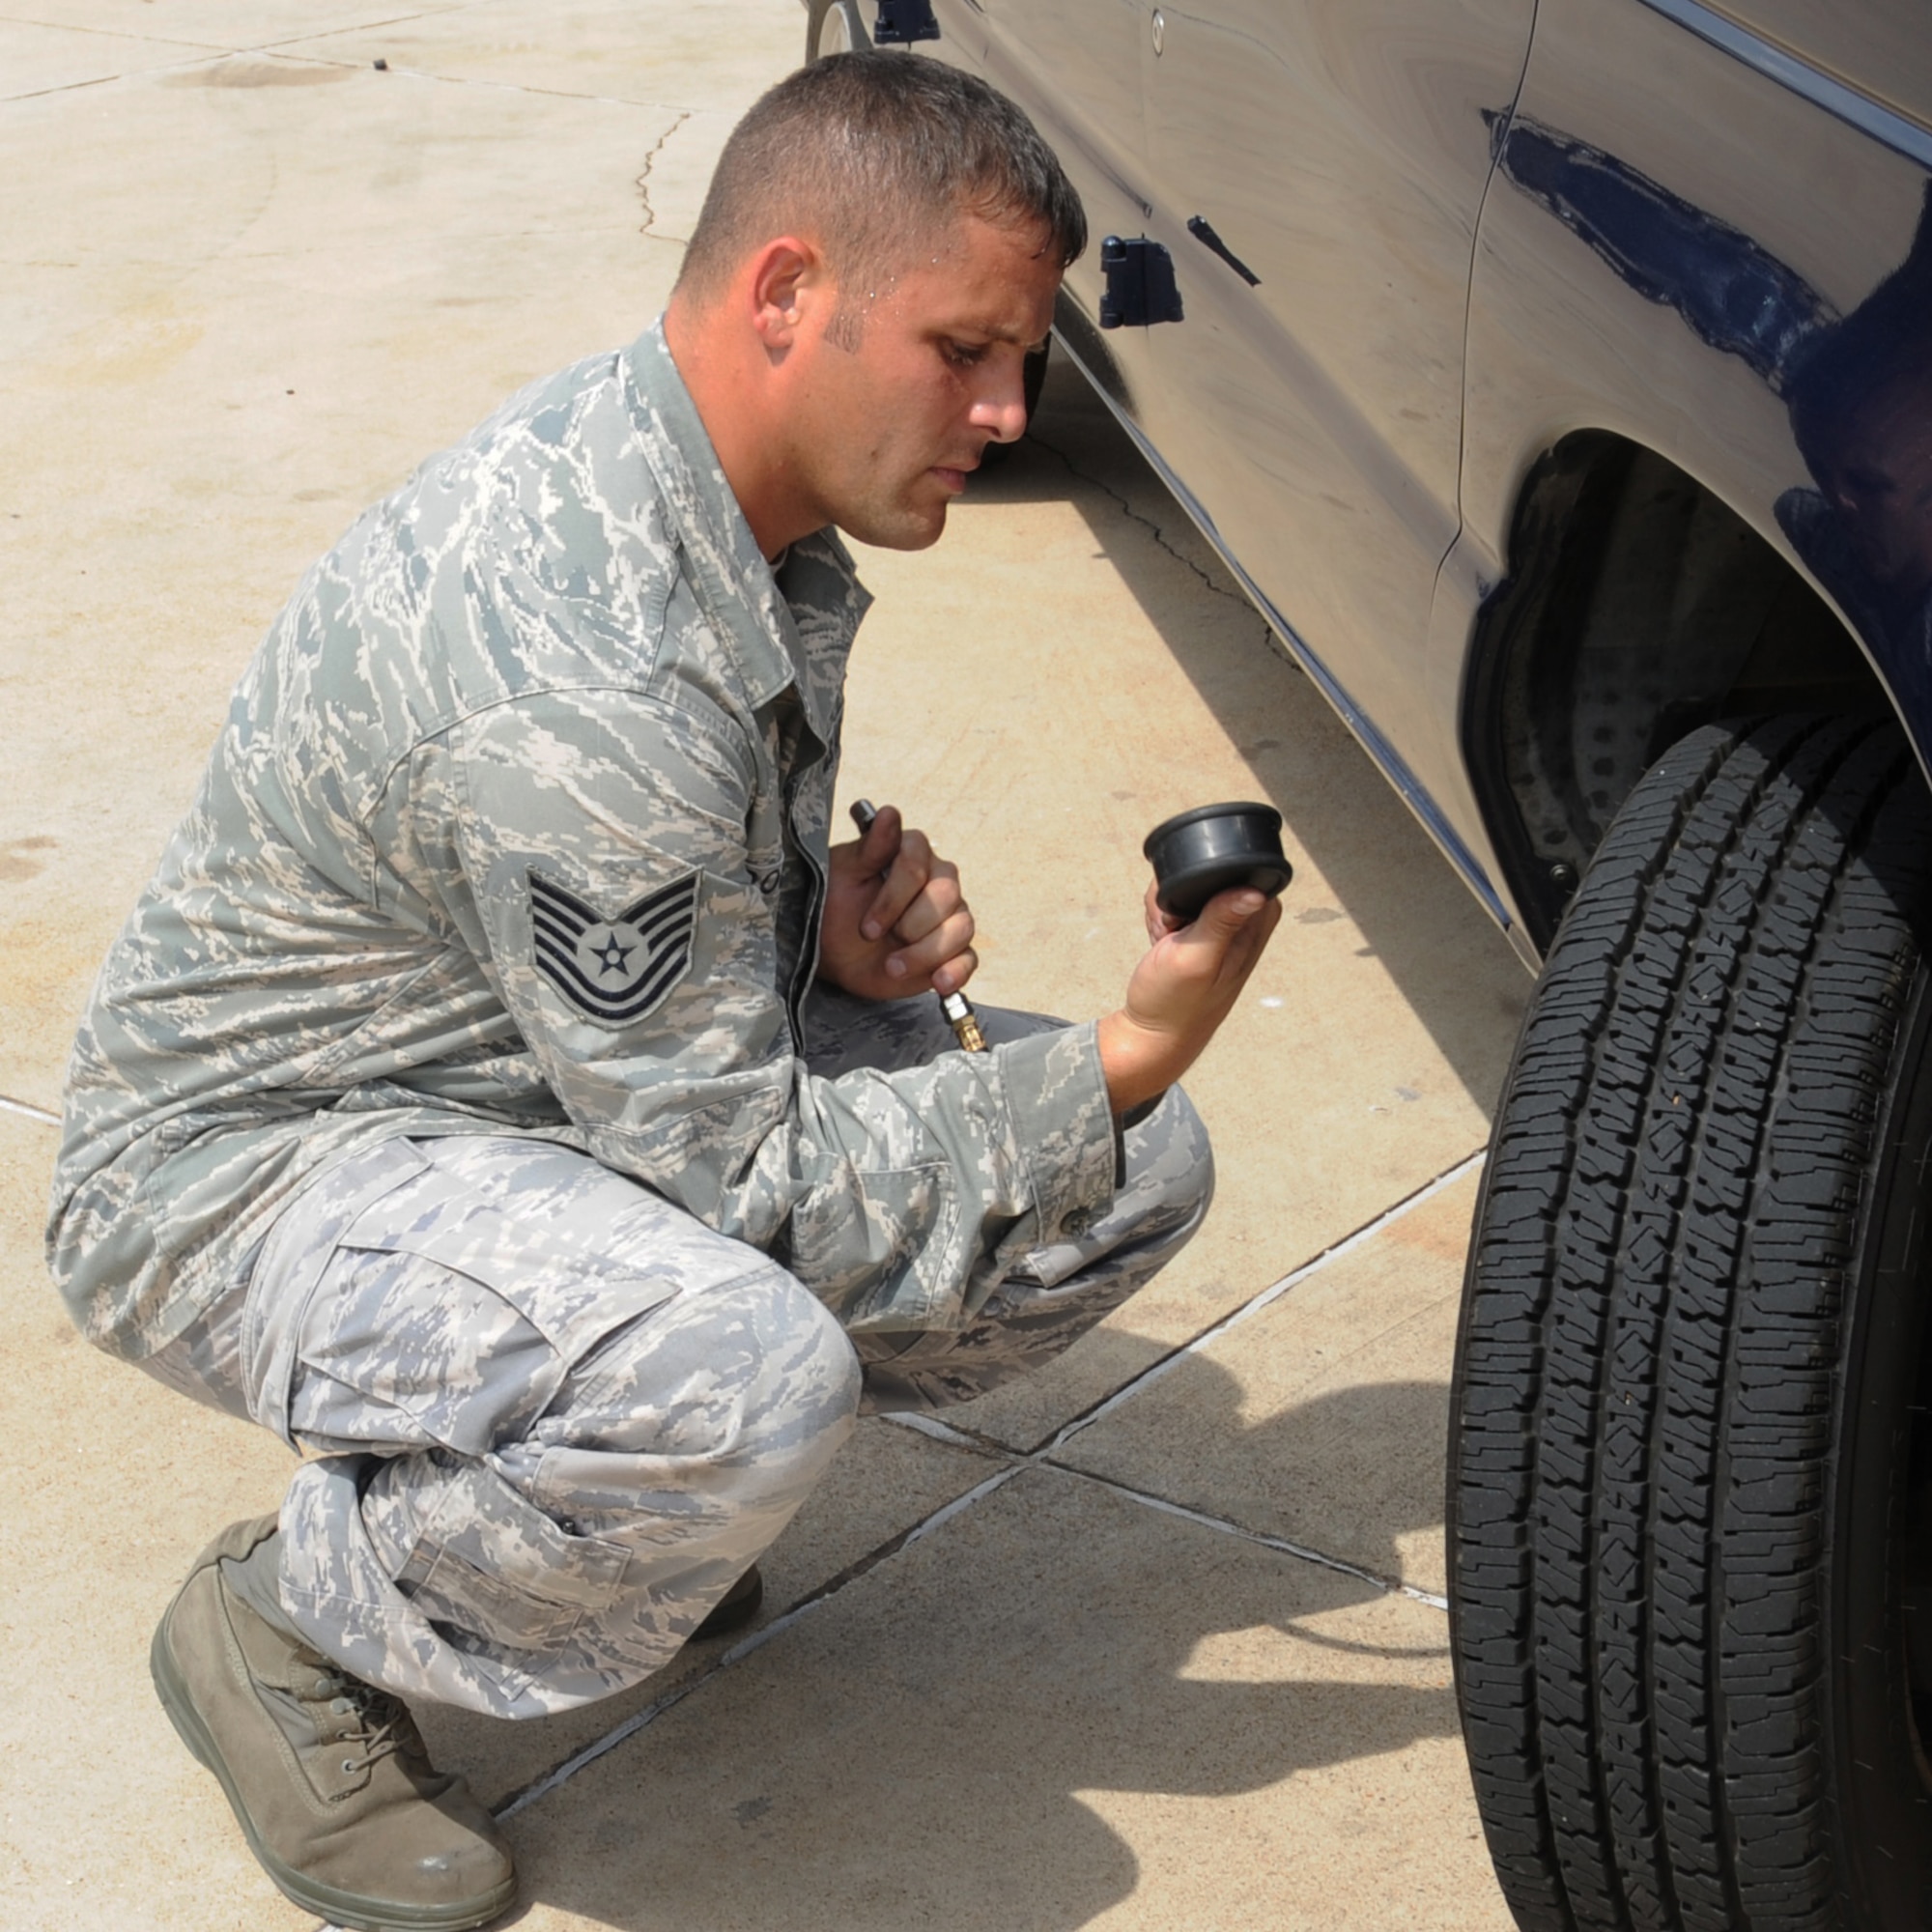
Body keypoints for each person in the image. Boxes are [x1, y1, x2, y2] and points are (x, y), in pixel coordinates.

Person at [47, 51, 1279, 1932]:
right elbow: (747, 1190)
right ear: (786, 292)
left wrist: (809, 944)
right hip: (245, 1178)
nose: (1008, 407)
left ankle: (608, 1496)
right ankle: (298, 1624)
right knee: (749, 1364)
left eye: (1021, 357)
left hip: (518, 1093)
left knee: (1126, 1169)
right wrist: (1110, 1051)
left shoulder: (697, 480)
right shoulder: (585, 651)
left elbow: (628, 969)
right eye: (963, 348)